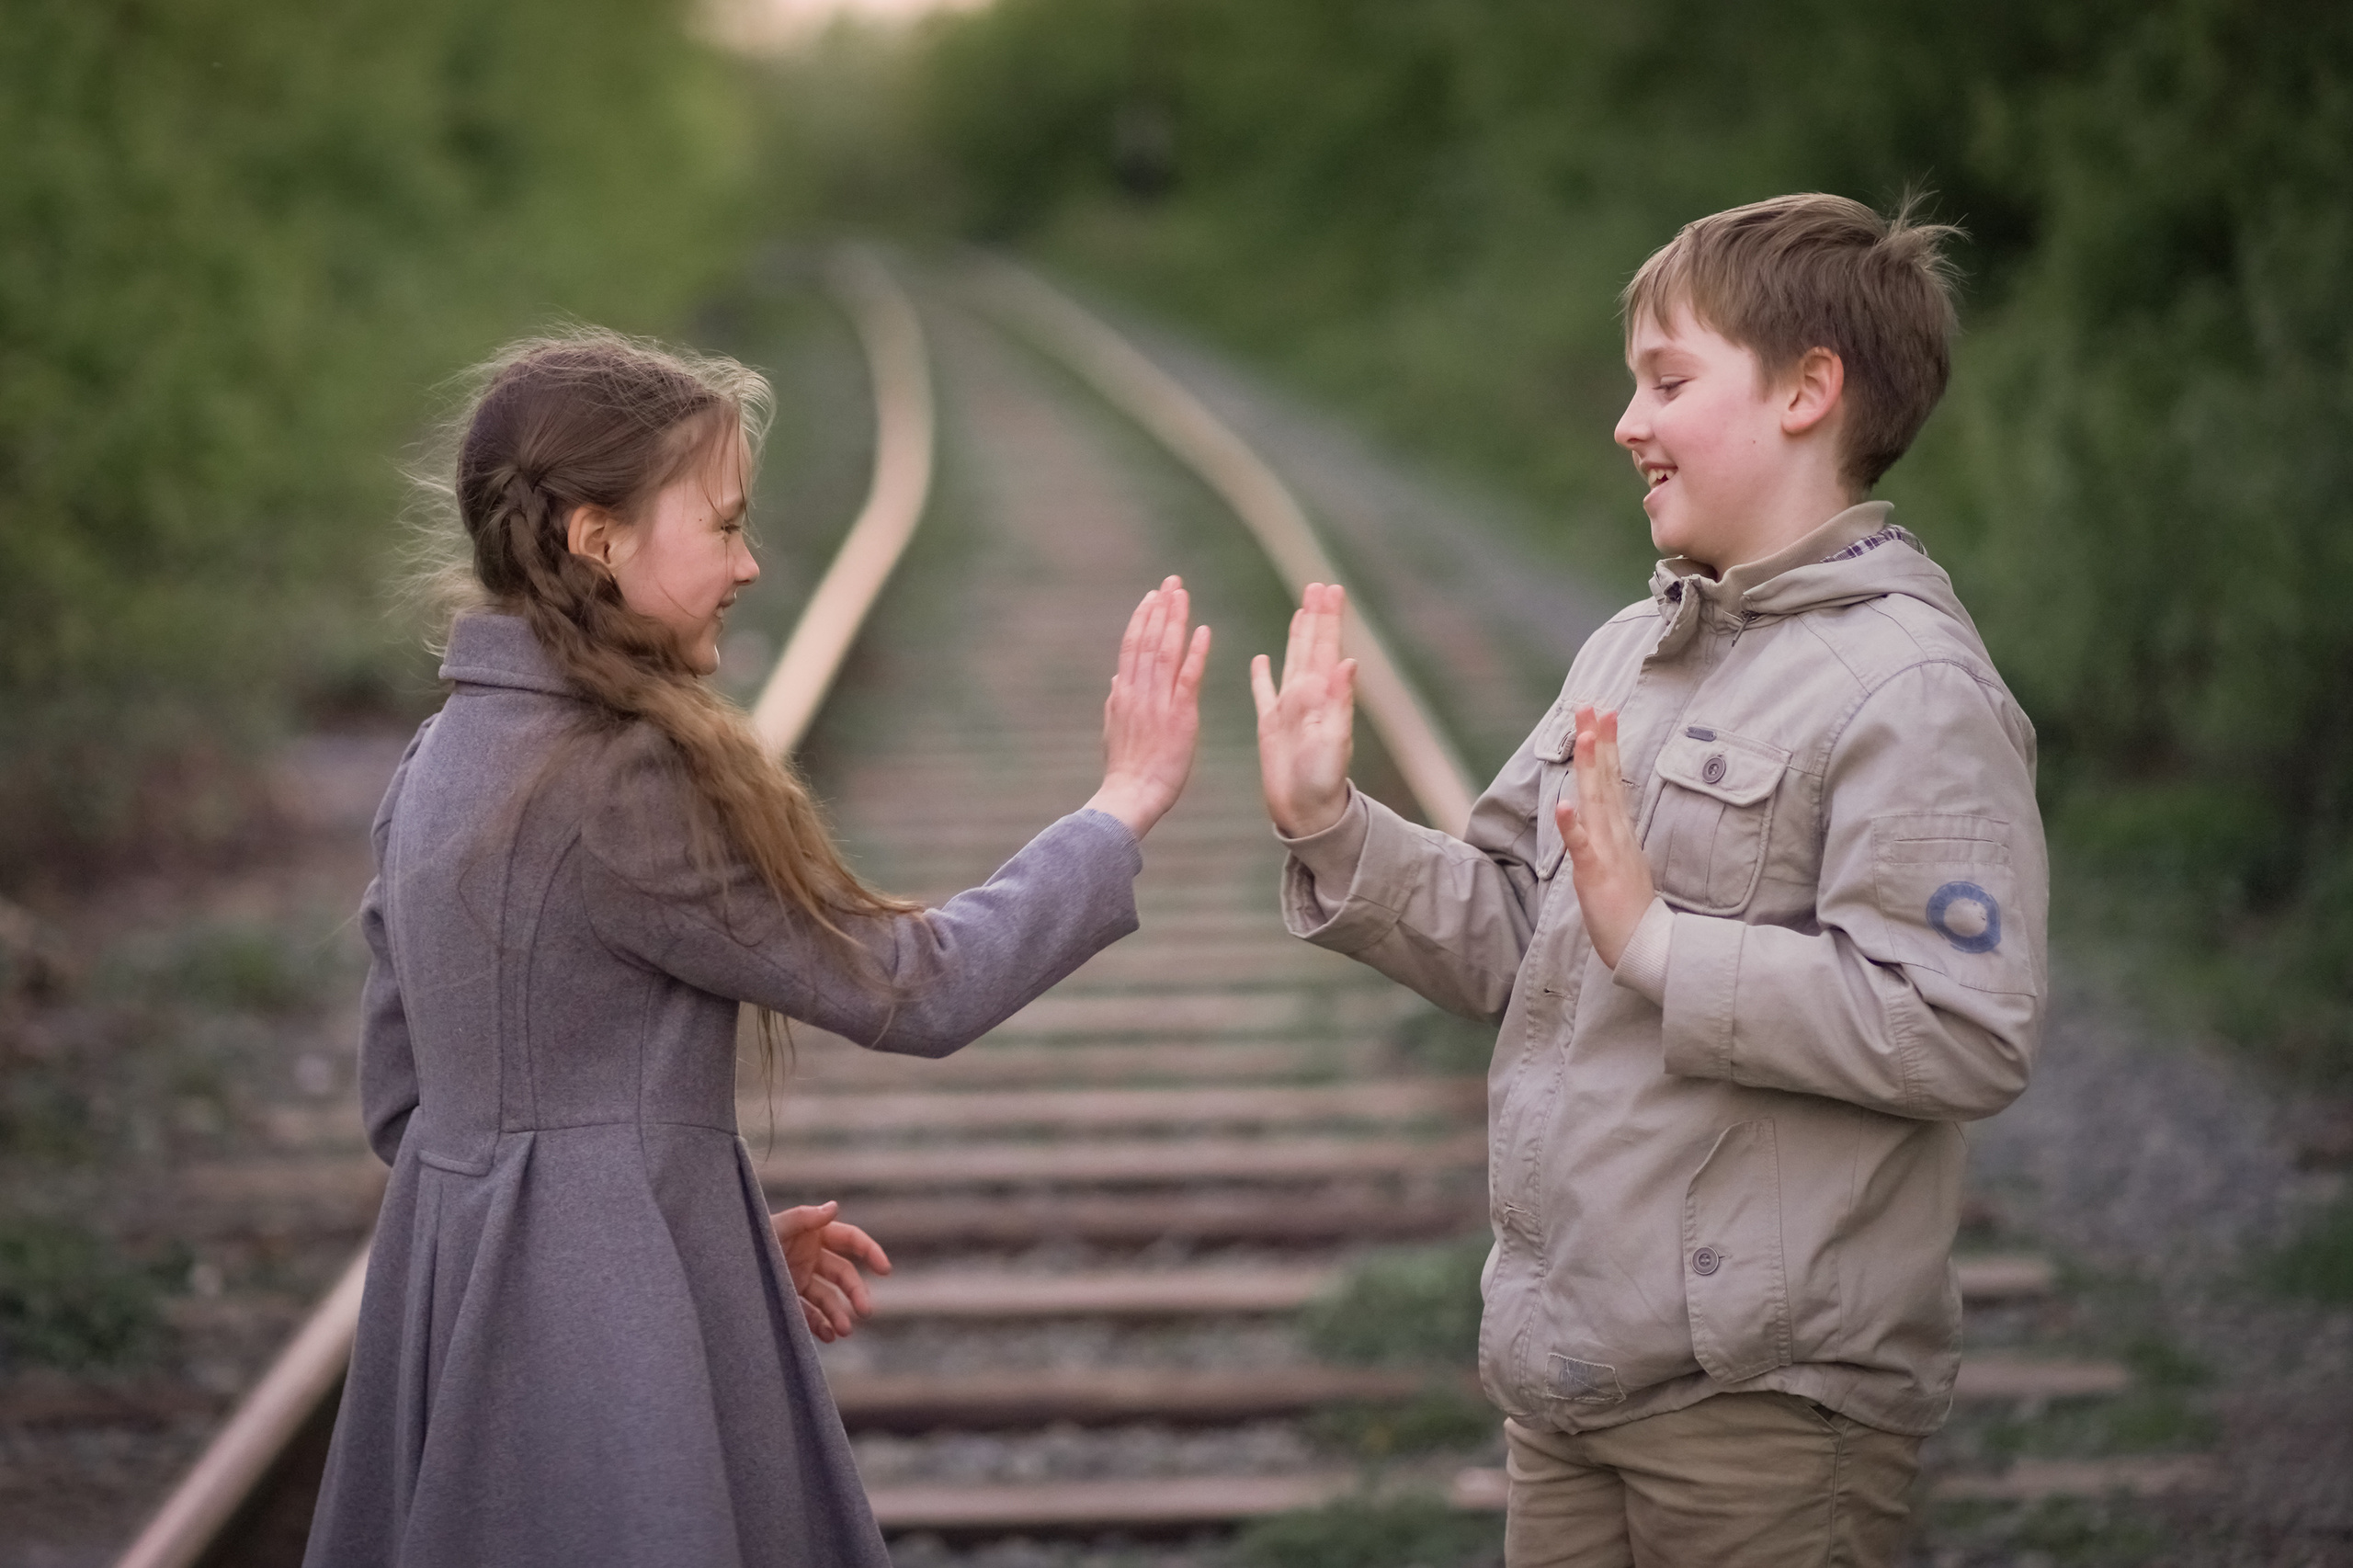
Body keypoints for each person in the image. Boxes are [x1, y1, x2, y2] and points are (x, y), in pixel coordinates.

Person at [304, 329, 1211, 1568]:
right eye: (724, 526)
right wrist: (1122, 806)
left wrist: (677, 1239)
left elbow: (407, 1108)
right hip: (611, 1374)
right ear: (599, 538)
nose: (750, 562)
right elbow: (915, 986)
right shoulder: (615, 781)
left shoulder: (436, 762)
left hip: (462, 1339)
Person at [1251, 195, 2047, 1566]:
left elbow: (1965, 1024)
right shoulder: (1630, 648)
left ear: (1807, 392)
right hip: (1572, 1378)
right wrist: (1334, 826)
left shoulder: (1910, 688)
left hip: (1766, 1416)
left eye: (1668, 383)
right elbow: (1517, 927)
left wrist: (1667, 948)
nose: (1627, 421)